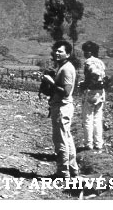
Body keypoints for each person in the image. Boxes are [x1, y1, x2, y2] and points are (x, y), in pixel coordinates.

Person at [41, 40, 79, 178]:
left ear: (68, 54)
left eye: (60, 51)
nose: (57, 53)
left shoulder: (67, 68)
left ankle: (63, 173)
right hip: (61, 107)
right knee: (67, 139)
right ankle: (73, 170)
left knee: (60, 140)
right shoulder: (63, 66)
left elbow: (66, 91)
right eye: (56, 50)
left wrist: (50, 82)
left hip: (62, 107)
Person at [79, 41, 106, 151]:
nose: (84, 53)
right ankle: (98, 143)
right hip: (101, 92)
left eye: (86, 51)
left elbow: (94, 73)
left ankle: (88, 144)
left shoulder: (89, 62)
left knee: (88, 119)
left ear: (90, 52)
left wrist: (86, 83)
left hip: (91, 92)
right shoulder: (100, 62)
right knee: (97, 119)